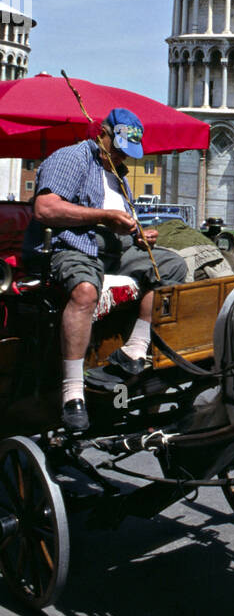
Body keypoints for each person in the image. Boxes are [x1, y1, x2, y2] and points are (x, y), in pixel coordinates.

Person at [22, 108, 188, 435]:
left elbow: (121, 222)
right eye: (119, 147)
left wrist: (138, 233)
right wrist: (104, 216)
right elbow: (45, 208)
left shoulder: (119, 174)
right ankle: (72, 392)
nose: (123, 155)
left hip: (113, 249)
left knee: (171, 265)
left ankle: (135, 350)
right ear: (103, 134)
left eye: (128, 151)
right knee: (85, 290)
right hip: (71, 245)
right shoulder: (71, 158)